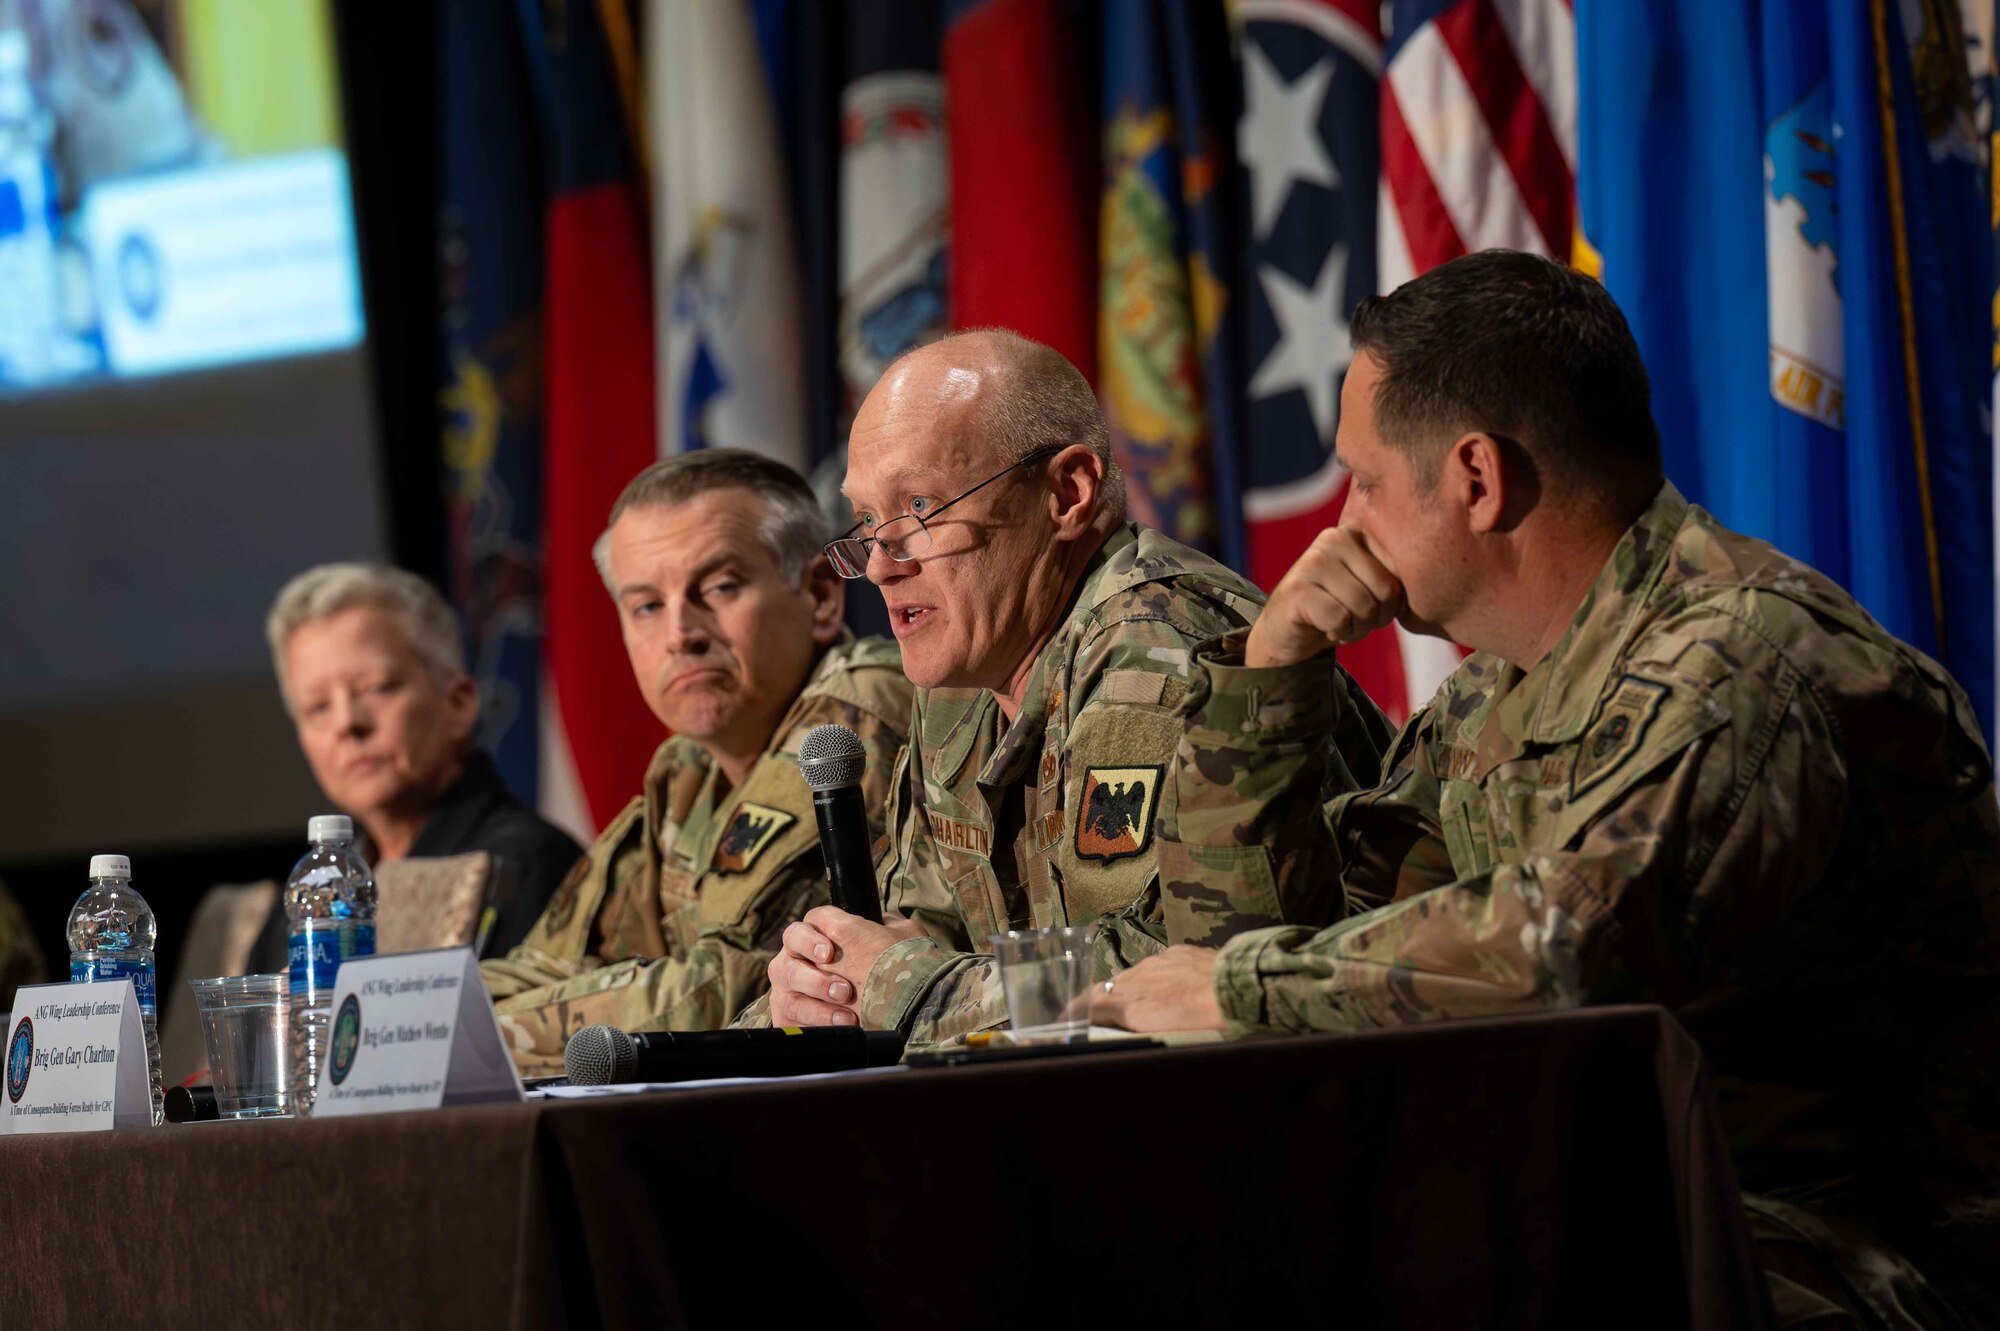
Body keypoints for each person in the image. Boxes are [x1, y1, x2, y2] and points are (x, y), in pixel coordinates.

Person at [1096, 251, 2000, 1327]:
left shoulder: (1737, 660)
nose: (1344, 523)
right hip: (1616, 1208)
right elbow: (1302, 932)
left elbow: (1569, 949)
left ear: (1475, 478)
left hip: (1843, 1254)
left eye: (1368, 481)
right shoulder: (1497, 695)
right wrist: (1273, 671)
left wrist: (1235, 987)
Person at [757, 329, 1378, 1046]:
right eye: (867, 523)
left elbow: (1173, 981)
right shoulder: (965, 675)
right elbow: (918, 932)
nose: (880, 565)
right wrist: (822, 986)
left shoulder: (1160, 648)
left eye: (919, 508)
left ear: (1067, 492)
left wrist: (902, 985)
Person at [480, 451, 913, 1074]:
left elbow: (732, 982)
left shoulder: (853, 712)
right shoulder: (688, 769)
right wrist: (431, 1017)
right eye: (647, 605)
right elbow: (555, 961)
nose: (681, 632)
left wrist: (467, 1042)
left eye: (719, 588)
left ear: (820, 596)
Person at [248, 565, 583, 974]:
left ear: (458, 703)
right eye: (318, 707)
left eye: (377, 686)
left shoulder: (529, 866)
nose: (346, 723)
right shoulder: (309, 900)